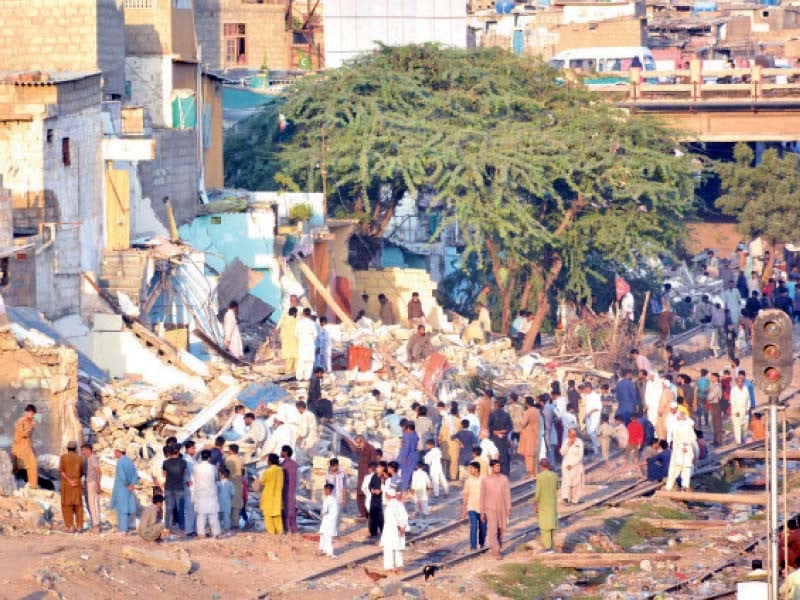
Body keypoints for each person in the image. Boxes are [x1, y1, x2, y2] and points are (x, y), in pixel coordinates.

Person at [480, 459, 512, 560]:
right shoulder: (485, 480)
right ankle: (496, 550)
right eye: (496, 466)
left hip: (502, 507)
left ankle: (498, 546)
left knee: (501, 529)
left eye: (499, 466)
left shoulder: (504, 479)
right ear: (492, 467)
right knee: (493, 529)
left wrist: (508, 508)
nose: (498, 468)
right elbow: (482, 496)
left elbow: (507, 494)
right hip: (490, 508)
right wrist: (482, 512)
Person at [110, 441, 139, 534]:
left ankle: (123, 529)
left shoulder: (120, 462)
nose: (114, 453)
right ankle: (125, 527)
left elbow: (122, 476)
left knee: (121, 508)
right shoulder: (129, 461)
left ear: (119, 451)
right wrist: (132, 485)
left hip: (122, 488)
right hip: (129, 488)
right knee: (127, 507)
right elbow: (135, 474)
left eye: (115, 451)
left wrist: (127, 484)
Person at [665, 412, 697, 491]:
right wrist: (686, 444)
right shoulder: (688, 426)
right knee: (686, 471)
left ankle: (668, 487)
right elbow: (693, 438)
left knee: (673, 470)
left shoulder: (674, 426)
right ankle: (684, 487)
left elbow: (671, 438)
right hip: (686, 450)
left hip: (677, 450)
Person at [194, 449, 222, 538]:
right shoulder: (212, 468)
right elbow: (216, 478)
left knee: (201, 515)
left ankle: (201, 533)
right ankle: (215, 533)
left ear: (201, 457)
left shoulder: (196, 467)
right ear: (209, 458)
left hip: (200, 493)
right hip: (211, 492)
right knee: (213, 514)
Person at [381, 485, 409, 574]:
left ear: (388, 496)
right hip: (400, 530)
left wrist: (399, 528)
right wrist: (403, 528)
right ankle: (400, 567)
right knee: (398, 549)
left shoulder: (389, 507)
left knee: (389, 549)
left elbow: (391, 520)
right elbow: (405, 517)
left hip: (391, 530)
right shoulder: (399, 504)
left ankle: (390, 568)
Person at [534, 458, 558, 553]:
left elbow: (538, 493)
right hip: (552, 503)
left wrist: (535, 504)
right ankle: (551, 546)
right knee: (552, 524)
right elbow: (557, 487)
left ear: (541, 466)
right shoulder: (555, 475)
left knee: (544, 527)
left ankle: (548, 548)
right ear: (548, 465)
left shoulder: (539, 477)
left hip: (543, 504)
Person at [59, 441, 84, 533]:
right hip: (77, 484)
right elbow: (81, 472)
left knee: (66, 506)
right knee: (78, 506)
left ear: (67, 448)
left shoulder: (63, 457)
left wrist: (69, 481)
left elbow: (62, 472)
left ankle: (70, 526)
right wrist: (75, 480)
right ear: (76, 449)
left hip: (67, 485)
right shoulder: (80, 458)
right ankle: (79, 526)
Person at [161, 443, 186, 533]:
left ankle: (167, 528)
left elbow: (164, 474)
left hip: (168, 487)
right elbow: (184, 474)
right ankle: (182, 529)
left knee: (168, 508)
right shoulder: (183, 462)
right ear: (178, 451)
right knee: (180, 509)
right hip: (179, 487)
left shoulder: (165, 462)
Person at [12, 404, 38, 488]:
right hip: (19, 447)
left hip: (27, 447)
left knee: (33, 465)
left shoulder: (31, 421)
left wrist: (32, 448)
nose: (32, 415)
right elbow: (21, 435)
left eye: (33, 414)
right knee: (16, 468)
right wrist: (30, 427)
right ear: (26, 412)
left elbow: (29, 437)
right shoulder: (21, 421)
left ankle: (33, 486)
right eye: (31, 413)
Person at [462, 461, 486, 550]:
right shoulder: (468, 481)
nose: (470, 470)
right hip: (471, 507)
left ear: (476, 469)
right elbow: (465, 494)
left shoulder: (484, 479)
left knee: (483, 528)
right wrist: (464, 509)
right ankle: (473, 547)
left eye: (471, 468)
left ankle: (482, 543)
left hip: (483, 508)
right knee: (473, 527)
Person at [353, 435, 378, 519]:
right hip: (361, 475)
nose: (358, 445)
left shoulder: (371, 449)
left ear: (363, 441)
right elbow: (354, 449)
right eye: (357, 443)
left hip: (368, 475)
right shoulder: (360, 449)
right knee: (360, 494)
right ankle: (363, 513)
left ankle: (369, 513)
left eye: (359, 443)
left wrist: (371, 474)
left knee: (368, 495)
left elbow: (374, 463)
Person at [488, 397, 514, 476]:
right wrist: (503, 431)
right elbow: (510, 427)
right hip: (503, 438)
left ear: (496, 405)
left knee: (495, 456)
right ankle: (505, 474)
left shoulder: (492, 414)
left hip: (494, 438)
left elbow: (489, 427)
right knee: (504, 456)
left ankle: (495, 473)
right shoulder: (506, 415)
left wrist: (496, 432)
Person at [260, 453, 284, 535]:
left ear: (270, 461)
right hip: (277, 496)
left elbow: (262, 482)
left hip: (268, 495)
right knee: (277, 515)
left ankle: (271, 533)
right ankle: (280, 532)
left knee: (268, 515)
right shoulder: (280, 470)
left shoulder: (268, 471)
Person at [559, 428, 584, 504]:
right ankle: (565, 498)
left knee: (576, 482)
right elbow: (562, 453)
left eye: (574, 434)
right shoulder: (566, 441)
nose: (573, 436)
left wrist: (572, 464)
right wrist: (567, 445)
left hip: (576, 465)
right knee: (566, 481)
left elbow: (580, 455)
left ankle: (575, 499)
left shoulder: (579, 442)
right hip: (566, 465)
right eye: (571, 434)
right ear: (568, 434)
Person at [81, 443, 101, 534]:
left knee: (93, 504)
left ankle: (96, 526)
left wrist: (97, 484)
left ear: (89, 450)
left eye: (84, 450)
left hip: (93, 483)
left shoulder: (92, 458)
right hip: (89, 482)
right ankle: (95, 524)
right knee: (91, 504)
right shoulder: (88, 459)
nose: (83, 452)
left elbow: (98, 471)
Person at [518, 396, 541, 476]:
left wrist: (520, 418)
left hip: (529, 435)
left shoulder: (528, 412)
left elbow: (523, 423)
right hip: (535, 434)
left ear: (527, 404)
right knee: (533, 454)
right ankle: (535, 472)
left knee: (529, 454)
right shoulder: (537, 411)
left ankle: (530, 472)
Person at [295, 308, 319, 381]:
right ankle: (307, 377)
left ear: (303, 314)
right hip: (310, 344)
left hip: (302, 343)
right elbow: (315, 334)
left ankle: (299, 377)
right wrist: (311, 339)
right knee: (309, 361)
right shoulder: (312, 323)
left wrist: (301, 339)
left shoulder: (299, 322)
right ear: (310, 314)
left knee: (301, 361)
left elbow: (296, 333)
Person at [280, 445, 299, 535]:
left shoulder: (284, 465)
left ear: (285, 453)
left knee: (286, 509)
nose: (280, 453)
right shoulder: (295, 464)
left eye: (282, 451)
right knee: (291, 507)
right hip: (293, 489)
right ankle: (294, 528)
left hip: (285, 489)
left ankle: (287, 528)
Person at [226, 444, 244, 531]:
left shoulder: (228, 459)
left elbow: (226, 472)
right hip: (238, 484)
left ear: (231, 450)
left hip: (229, 484)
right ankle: (236, 524)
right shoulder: (240, 460)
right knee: (236, 506)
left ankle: (228, 524)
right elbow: (243, 472)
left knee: (229, 506)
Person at [398, 422, 419, 492]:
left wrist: (404, 457)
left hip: (408, 456)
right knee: (410, 472)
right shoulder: (415, 434)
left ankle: (404, 488)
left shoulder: (407, 435)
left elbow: (407, 447)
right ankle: (408, 487)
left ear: (409, 429)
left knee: (405, 473)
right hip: (414, 455)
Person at [319, 483, 339, 558]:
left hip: (327, 521)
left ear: (328, 490)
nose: (324, 491)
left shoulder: (327, 500)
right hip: (331, 521)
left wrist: (321, 513)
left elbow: (324, 510)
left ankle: (329, 552)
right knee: (325, 535)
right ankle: (324, 550)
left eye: (324, 490)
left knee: (326, 537)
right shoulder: (334, 499)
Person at [730, 371, 750, 444]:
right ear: (737, 382)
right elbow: (732, 401)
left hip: (745, 411)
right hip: (737, 411)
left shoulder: (746, 389)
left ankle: (744, 439)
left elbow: (748, 399)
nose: (740, 383)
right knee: (737, 427)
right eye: (739, 382)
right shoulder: (733, 390)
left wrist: (748, 408)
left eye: (741, 382)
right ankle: (738, 441)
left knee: (745, 426)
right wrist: (736, 411)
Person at [182, 440, 197, 537]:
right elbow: (183, 471)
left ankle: (192, 528)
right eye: (193, 448)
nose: (194, 450)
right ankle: (189, 529)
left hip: (194, 486)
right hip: (188, 486)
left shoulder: (192, 459)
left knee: (193, 508)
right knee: (189, 508)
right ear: (187, 449)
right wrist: (187, 480)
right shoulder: (185, 459)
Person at [368, 461, 386, 539]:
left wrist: (380, 491)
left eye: (379, 467)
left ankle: (383, 532)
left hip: (381, 499)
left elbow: (386, 487)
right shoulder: (374, 476)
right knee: (372, 515)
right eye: (377, 467)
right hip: (373, 498)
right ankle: (373, 532)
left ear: (383, 468)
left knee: (381, 517)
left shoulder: (385, 477)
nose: (377, 468)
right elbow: (370, 485)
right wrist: (371, 490)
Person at [584, 382, 602, 454]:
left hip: (594, 416)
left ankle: (597, 445)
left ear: (589, 388)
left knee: (591, 431)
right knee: (590, 432)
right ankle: (596, 448)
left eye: (586, 388)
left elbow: (599, 407)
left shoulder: (595, 396)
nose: (585, 389)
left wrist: (591, 411)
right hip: (587, 416)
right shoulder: (586, 396)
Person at [279, 307, 298, 376]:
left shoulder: (284, 321)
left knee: (288, 363)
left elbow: (281, 335)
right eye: (296, 313)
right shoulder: (296, 321)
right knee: (295, 362)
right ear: (294, 313)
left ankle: (288, 376)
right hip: (295, 345)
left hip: (287, 345)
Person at [707, 372, 724, 446]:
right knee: (714, 424)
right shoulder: (713, 386)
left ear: (716, 378)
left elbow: (709, 397)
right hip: (713, 405)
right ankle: (715, 440)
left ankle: (719, 441)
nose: (711, 379)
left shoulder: (717, 387)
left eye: (712, 377)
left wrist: (707, 395)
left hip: (716, 405)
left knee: (717, 424)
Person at [217, 467, 234, 532]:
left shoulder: (218, 484)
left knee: (218, 517)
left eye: (219, 474)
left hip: (219, 503)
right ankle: (227, 529)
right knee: (226, 516)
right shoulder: (230, 484)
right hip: (227, 503)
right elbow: (233, 493)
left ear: (222, 475)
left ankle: (218, 529)